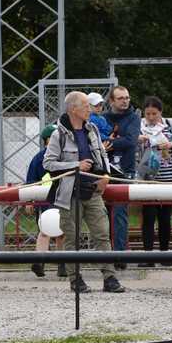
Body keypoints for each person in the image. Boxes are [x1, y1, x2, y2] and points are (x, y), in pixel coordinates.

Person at [43, 91, 126, 293]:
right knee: (72, 238)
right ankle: (75, 279)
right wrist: (76, 165)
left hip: (93, 191)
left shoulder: (93, 130)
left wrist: (105, 177)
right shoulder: (58, 135)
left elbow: (102, 157)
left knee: (102, 235)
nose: (89, 108)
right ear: (73, 109)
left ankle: (110, 278)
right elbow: (48, 162)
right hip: (69, 194)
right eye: (85, 105)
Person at [137, 96, 172, 268]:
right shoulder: (139, 125)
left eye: (154, 114)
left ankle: (165, 254)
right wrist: (140, 140)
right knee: (148, 217)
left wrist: (170, 145)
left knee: (165, 217)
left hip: (168, 176)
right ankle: (147, 256)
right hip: (148, 177)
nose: (151, 117)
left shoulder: (170, 124)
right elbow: (132, 145)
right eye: (148, 113)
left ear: (160, 112)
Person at [103, 86, 141, 269]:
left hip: (125, 172)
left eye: (127, 97)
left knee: (119, 214)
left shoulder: (134, 117)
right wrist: (108, 143)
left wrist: (109, 142)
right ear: (112, 101)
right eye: (120, 98)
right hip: (104, 171)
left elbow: (131, 140)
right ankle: (106, 254)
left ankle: (120, 256)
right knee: (103, 214)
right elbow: (96, 139)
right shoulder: (103, 118)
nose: (125, 101)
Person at [25, 124, 66, 278]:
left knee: (54, 231)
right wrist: (30, 200)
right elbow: (31, 181)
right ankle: (49, 262)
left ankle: (55, 262)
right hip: (47, 199)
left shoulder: (62, 156)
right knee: (49, 230)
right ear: (47, 140)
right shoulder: (40, 158)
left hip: (59, 197)